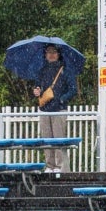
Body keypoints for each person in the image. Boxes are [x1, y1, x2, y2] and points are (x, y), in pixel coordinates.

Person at [32, 43, 75, 172]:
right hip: (45, 110)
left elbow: (73, 89)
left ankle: (60, 166)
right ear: (45, 55)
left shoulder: (65, 70)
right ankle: (49, 166)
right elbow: (36, 86)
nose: (51, 55)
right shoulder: (42, 70)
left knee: (59, 138)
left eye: (54, 52)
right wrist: (36, 91)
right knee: (47, 139)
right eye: (49, 52)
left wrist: (61, 99)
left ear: (58, 54)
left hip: (59, 109)